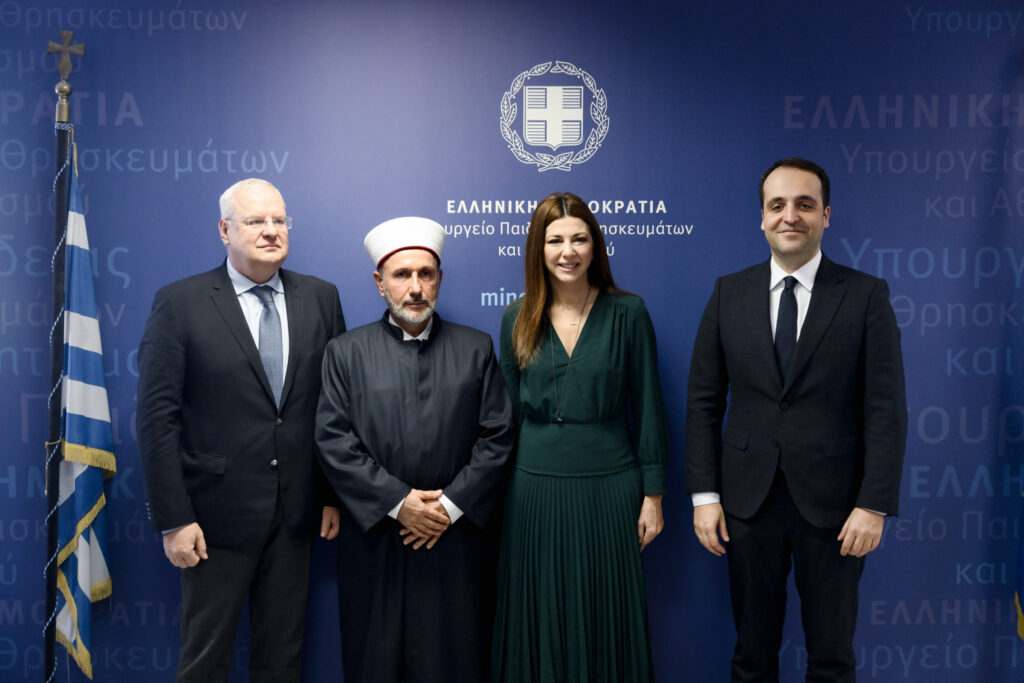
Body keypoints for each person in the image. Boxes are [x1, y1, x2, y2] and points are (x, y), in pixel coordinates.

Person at [686, 158, 907, 682]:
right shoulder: (728, 293)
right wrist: (705, 496)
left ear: (826, 215)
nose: (790, 216)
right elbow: (703, 402)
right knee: (751, 657)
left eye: (805, 205)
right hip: (746, 504)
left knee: (832, 659)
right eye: (777, 205)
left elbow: (886, 408)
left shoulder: (865, 295)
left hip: (837, 509)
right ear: (761, 218)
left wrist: (873, 504)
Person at [136, 178, 345, 682]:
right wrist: (174, 519)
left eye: (279, 220)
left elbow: (334, 408)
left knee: (282, 661)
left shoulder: (321, 297)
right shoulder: (180, 303)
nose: (271, 231)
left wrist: (330, 495)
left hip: (296, 516)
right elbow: (156, 419)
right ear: (224, 230)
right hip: (213, 521)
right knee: (205, 663)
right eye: (255, 221)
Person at [314, 216, 515, 683]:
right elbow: (333, 440)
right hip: (376, 539)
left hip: (455, 540)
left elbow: (498, 435)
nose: (416, 287)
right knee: (375, 661)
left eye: (426, 274)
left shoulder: (476, 348)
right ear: (379, 282)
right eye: (402, 275)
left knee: (457, 660)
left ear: (439, 278)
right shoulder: (345, 353)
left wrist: (447, 507)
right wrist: (398, 503)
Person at [491, 192, 669, 682]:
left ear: (595, 247)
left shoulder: (628, 313)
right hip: (532, 489)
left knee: (605, 612)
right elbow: (504, 418)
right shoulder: (515, 316)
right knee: (538, 610)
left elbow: (649, 406)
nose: (567, 252)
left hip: (611, 487)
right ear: (538, 248)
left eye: (579, 239)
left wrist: (653, 494)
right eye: (555, 241)